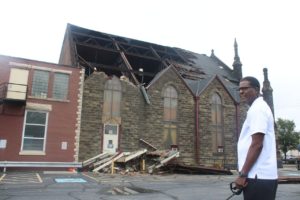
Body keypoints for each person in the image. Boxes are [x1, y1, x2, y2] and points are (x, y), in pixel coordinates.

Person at [235, 76, 278, 200]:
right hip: (259, 176)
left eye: (245, 88)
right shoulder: (257, 108)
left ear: (257, 89)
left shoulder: (258, 109)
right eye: (240, 89)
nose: (241, 92)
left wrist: (243, 174)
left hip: (258, 177)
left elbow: (257, 144)